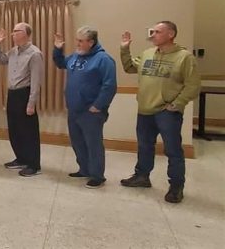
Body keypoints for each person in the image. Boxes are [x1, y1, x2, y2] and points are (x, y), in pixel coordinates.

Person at [119, 21, 200, 203]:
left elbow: (193, 85)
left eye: (157, 31)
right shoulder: (147, 53)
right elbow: (130, 67)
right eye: (152, 31)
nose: (152, 34)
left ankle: (176, 186)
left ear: (170, 34)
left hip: (167, 112)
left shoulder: (184, 57)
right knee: (145, 146)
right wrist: (125, 49)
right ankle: (142, 177)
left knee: (173, 150)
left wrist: (177, 104)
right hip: (145, 109)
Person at [53, 26, 117, 188]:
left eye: (81, 41)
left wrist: (98, 105)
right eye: (77, 40)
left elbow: (109, 86)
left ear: (91, 42)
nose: (77, 44)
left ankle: (97, 176)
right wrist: (58, 49)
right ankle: (84, 169)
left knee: (93, 143)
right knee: (77, 141)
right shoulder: (75, 56)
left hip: (91, 111)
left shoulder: (104, 60)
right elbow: (61, 64)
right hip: (74, 109)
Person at [0, 23, 44, 177]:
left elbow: (36, 81)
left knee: (29, 131)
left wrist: (31, 103)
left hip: (25, 94)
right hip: (13, 94)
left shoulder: (35, 54)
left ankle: (34, 165)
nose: (12, 34)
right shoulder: (13, 51)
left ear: (27, 34)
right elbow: (0, 60)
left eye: (16, 31)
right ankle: (21, 158)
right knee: (14, 130)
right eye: (13, 31)